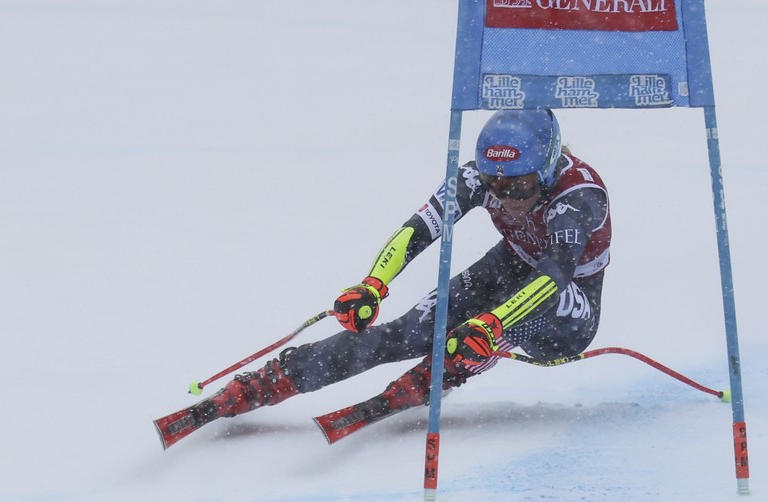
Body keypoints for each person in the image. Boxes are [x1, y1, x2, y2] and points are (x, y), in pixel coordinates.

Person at [156, 108, 611, 448]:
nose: (506, 197)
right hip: (511, 264)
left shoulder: (579, 195)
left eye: (519, 186)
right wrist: (373, 284)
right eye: (495, 186)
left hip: (568, 306)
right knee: (407, 331)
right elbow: (419, 229)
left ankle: (451, 364)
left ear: (548, 167)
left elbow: (555, 272)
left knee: (488, 326)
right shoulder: (479, 178)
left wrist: (493, 324)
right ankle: (275, 380)